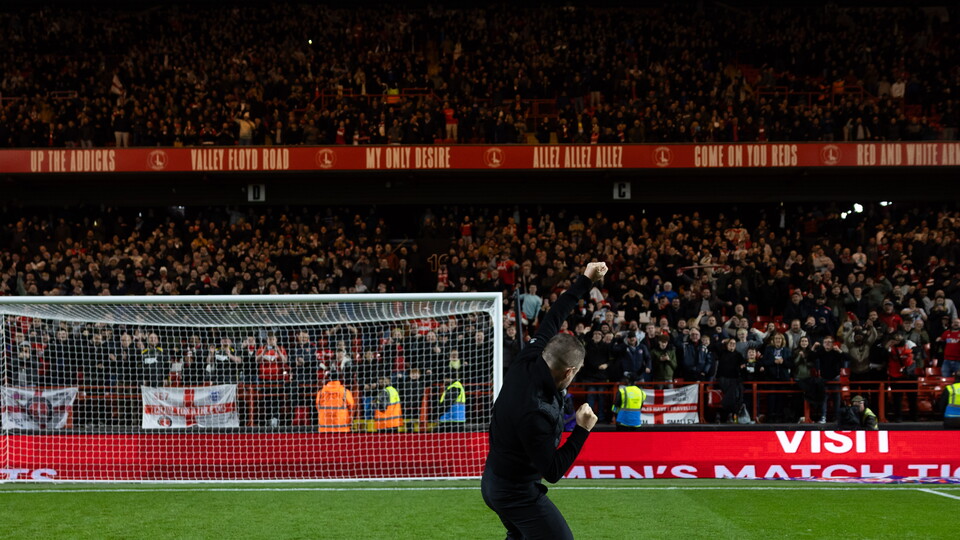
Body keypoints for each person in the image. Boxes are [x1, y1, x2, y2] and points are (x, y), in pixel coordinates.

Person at [481, 261, 605, 540]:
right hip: (514, 492)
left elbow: (555, 314)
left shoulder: (532, 356)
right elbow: (552, 470)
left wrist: (586, 279)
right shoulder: (536, 413)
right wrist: (583, 430)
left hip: (495, 480)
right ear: (569, 371)